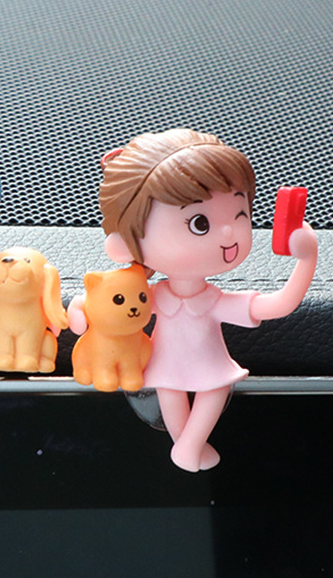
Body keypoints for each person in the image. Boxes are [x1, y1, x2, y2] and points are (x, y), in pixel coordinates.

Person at [91, 128, 318, 472]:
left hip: (207, 364)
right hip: (164, 364)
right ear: (125, 244)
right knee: (171, 391)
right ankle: (188, 446)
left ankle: (188, 447)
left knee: (212, 391)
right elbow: (108, 309)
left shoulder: (212, 300)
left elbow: (279, 305)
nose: (228, 232)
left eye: (240, 214)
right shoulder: (150, 295)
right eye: (200, 223)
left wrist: (307, 260)